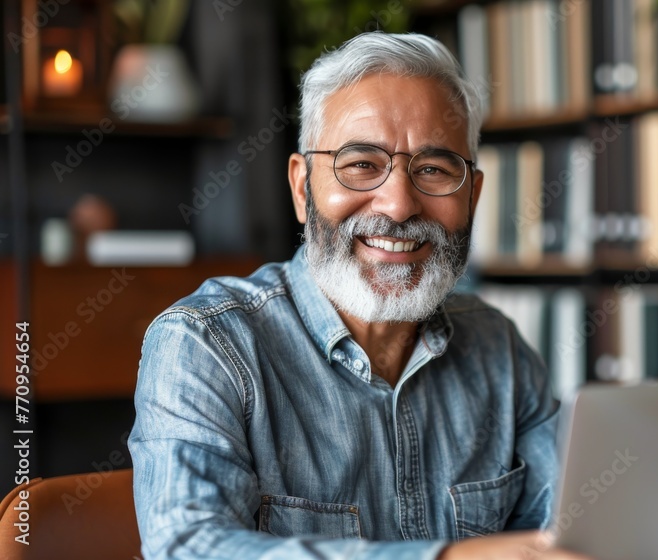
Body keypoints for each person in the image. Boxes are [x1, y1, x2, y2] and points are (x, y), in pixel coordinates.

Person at [129, 32, 590, 560]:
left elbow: (571, 528)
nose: (398, 206)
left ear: (473, 196)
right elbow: (188, 548)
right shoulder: (205, 346)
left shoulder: (498, 349)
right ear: (303, 188)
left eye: (434, 170)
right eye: (361, 165)